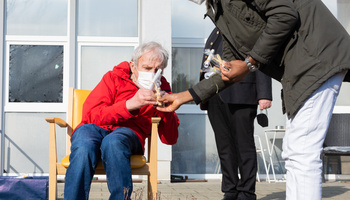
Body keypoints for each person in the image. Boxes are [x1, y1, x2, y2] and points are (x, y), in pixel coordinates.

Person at [158, 0, 350, 199]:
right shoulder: (220, 12)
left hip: (317, 57)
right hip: (300, 68)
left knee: (302, 151)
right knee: (294, 152)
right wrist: (183, 96)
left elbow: (285, 14)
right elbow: (230, 70)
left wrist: (250, 63)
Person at [64, 42, 180, 200]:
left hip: (129, 134)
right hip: (95, 128)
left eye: (157, 70)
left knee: (113, 142)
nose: (152, 74)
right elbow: (91, 115)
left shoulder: (163, 90)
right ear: (133, 66)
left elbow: (170, 138)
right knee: (84, 143)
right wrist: (129, 105)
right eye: (146, 68)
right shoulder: (113, 78)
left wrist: (168, 109)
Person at [200, 28, 272, 200]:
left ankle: (247, 192)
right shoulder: (216, 31)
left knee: (243, 146)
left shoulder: (243, 24)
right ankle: (230, 190)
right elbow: (207, 61)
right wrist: (203, 92)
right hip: (215, 94)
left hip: (242, 94)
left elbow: (260, 57)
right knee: (224, 147)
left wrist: (264, 94)